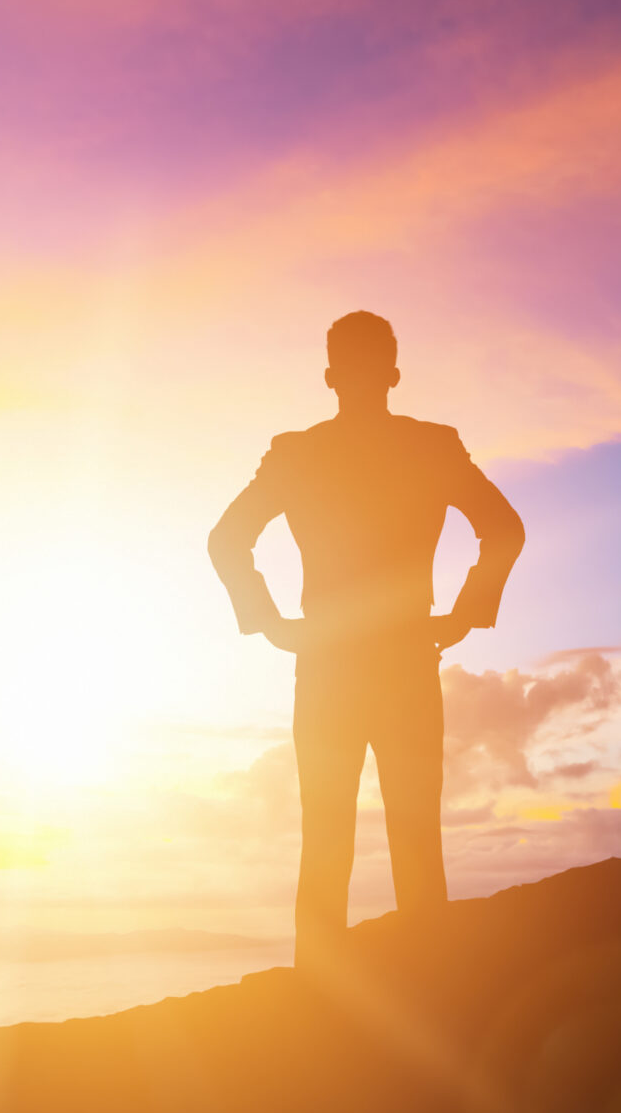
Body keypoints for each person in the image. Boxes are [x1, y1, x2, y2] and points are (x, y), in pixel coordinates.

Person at [209, 311, 524, 966]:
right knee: (414, 835)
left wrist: (270, 622)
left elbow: (226, 539)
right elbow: (505, 528)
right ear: (393, 373)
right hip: (404, 660)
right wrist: (465, 615)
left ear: (330, 376)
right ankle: (429, 981)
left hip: (327, 666)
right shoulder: (432, 446)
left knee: (326, 836)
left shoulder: (298, 454)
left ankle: (315, 996)